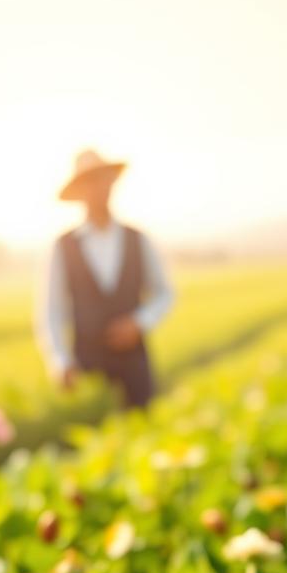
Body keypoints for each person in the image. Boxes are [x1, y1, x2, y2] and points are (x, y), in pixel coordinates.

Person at [36, 149, 174, 408]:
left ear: (112, 182)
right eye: (89, 182)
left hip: (135, 365)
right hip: (88, 366)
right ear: (79, 192)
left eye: (102, 179)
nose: (97, 188)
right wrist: (60, 360)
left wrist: (138, 323)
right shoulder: (63, 246)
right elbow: (51, 310)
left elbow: (164, 293)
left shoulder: (137, 238)